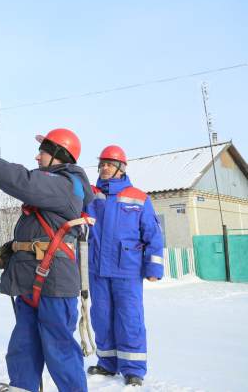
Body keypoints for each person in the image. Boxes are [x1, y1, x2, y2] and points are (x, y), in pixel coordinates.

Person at [0, 128, 93, 392]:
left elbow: (23, 182)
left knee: (58, 347)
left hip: (55, 282)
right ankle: (22, 387)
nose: (37, 157)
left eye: (43, 152)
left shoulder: (68, 184)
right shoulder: (53, 186)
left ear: (59, 154)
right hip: (32, 276)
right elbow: (45, 229)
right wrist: (15, 249)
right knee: (24, 343)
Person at [86, 145, 164, 386]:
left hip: (127, 270)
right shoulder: (91, 195)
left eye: (109, 164)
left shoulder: (139, 197)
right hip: (97, 269)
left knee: (129, 318)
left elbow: (152, 234)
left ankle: (133, 369)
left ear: (121, 167)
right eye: (102, 164)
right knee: (101, 317)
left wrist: (153, 268)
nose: (105, 168)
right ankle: (108, 363)